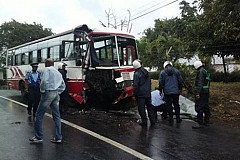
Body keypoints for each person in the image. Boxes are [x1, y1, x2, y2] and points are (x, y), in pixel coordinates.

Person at [29, 59, 66, 143]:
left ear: (47, 63)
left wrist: (42, 91)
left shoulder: (47, 70)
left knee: (39, 115)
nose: (44, 64)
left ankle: (39, 137)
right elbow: (63, 85)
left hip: (48, 93)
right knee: (56, 115)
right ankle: (58, 137)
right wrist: (58, 91)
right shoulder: (58, 72)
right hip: (56, 94)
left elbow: (44, 81)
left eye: (45, 63)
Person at [133, 59, 155, 126]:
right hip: (148, 93)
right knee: (149, 107)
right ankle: (152, 121)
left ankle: (144, 122)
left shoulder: (137, 74)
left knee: (141, 108)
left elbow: (136, 85)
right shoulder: (146, 72)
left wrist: (134, 94)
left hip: (140, 94)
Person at [192, 60, 211, 129]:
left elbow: (200, 83)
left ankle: (200, 123)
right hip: (206, 91)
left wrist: (198, 93)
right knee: (205, 106)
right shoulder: (206, 71)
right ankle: (206, 121)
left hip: (202, 92)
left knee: (199, 107)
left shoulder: (200, 72)